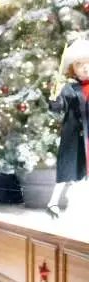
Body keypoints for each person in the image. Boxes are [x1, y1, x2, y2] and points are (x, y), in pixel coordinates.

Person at [47, 38, 89, 218]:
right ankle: (53, 202)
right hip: (74, 136)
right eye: (80, 64)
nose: (86, 68)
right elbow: (57, 108)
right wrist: (55, 97)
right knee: (68, 170)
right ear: (73, 68)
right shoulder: (69, 88)